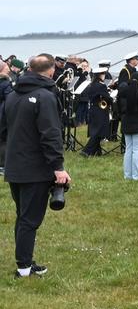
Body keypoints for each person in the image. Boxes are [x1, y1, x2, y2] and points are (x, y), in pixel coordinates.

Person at [2, 55, 71, 277]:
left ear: (29, 69)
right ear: (51, 72)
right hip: (34, 169)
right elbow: (51, 134)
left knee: (23, 216)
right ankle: (23, 268)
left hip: (14, 166)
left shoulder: (12, 95)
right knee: (30, 220)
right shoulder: (45, 97)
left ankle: (26, 261)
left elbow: (3, 130)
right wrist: (58, 167)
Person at [78, 68, 111, 156]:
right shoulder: (101, 85)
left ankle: (97, 152)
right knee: (98, 132)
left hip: (93, 109)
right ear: (99, 75)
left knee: (97, 131)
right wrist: (111, 98)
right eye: (103, 74)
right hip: (100, 110)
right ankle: (86, 151)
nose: (104, 75)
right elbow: (107, 98)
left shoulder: (92, 84)